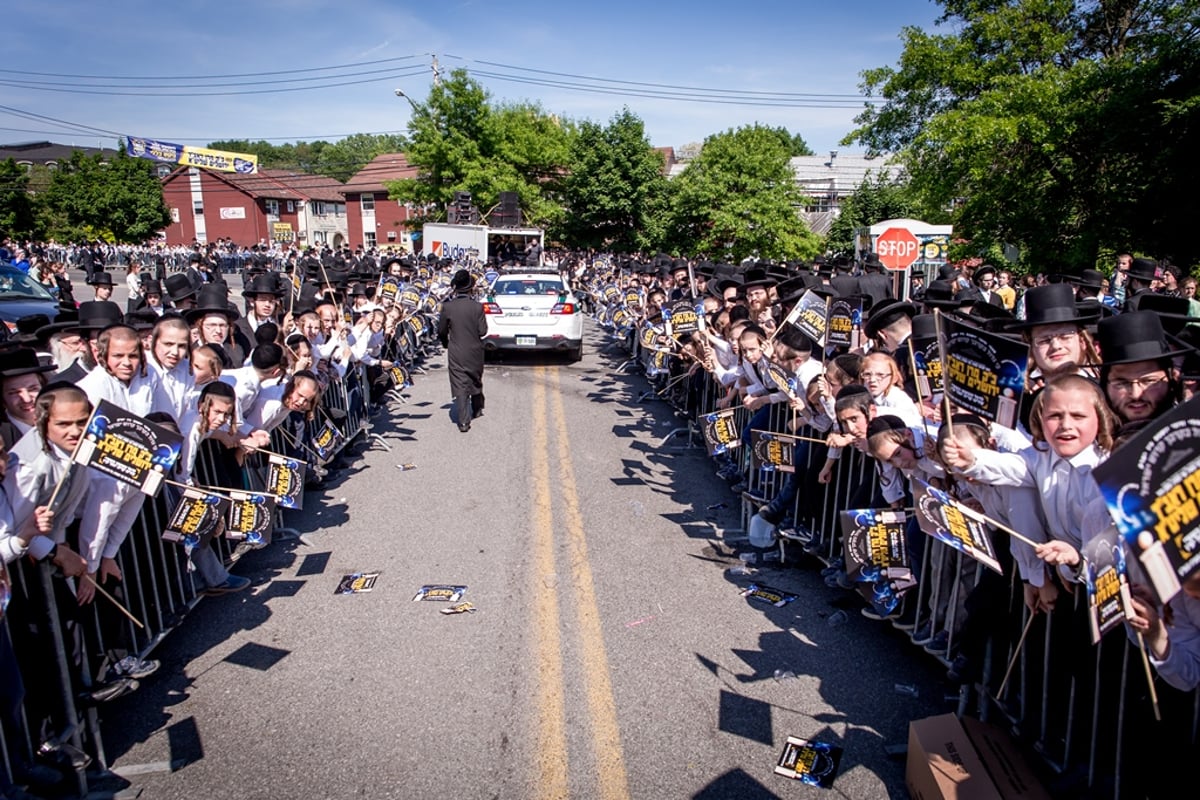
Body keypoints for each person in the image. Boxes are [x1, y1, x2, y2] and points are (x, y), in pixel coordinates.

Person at [437, 269, 487, 432]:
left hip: (456, 349)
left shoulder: (448, 307)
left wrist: (445, 343)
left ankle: (464, 421)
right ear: (471, 288)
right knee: (475, 378)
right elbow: (482, 331)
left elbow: (441, 330)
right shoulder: (477, 307)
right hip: (474, 350)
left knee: (460, 382)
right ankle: (477, 408)